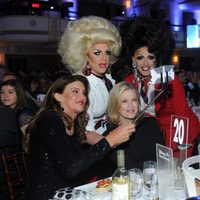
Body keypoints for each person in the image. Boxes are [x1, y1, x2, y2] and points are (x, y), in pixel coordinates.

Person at [24, 75, 135, 200]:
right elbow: (70, 168)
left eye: (84, 93)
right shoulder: (49, 119)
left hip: (68, 191)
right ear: (58, 96)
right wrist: (109, 140)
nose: (82, 97)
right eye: (75, 92)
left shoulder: (74, 125)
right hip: (46, 195)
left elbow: (79, 163)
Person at [112, 16, 200, 157]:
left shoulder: (169, 80)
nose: (145, 63)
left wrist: (177, 151)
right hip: (155, 134)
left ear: (157, 59)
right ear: (133, 59)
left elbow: (182, 117)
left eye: (150, 57)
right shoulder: (129, 82)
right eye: (140, 58)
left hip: (180, 133)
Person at [58, 15, 122, 144]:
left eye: (107, 52)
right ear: (84, 54)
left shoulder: (108, 78)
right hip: (92, 146)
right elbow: (85, 132)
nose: (104, 58)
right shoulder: (81, 85)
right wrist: (109, 144)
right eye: (97, 53)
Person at [103, 82, 164, 170]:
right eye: (124, 101)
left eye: (134, 100)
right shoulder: (112, 136)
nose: (131, 105)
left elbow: (163, 157)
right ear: (115, 105)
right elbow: (129, 169)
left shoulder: (150, 123)